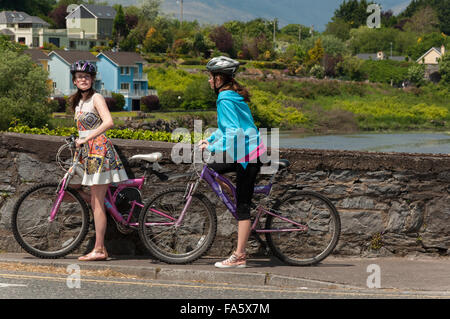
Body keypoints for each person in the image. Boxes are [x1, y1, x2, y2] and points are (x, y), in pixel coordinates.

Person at [199, 56, 267, 268]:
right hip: (242, 151)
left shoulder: (225, 98)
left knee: (243, 208)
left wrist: (212, 148)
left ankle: (239, 256)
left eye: (210, 77)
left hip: (248, 155)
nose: (209, 81)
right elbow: (227, 128)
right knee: (211, 168)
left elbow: (234, 132)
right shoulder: (228, 95)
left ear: (219, 78)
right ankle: (237, 198)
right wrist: (210, 139)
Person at [68, 60, 128, 261]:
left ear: (92, 79)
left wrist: (88, 137)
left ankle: (100, 249)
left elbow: (109, 121)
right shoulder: (78, 102)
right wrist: (77, 154)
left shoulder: (96, 98)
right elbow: (80, 133)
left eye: (86, 77)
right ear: (75, 81)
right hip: (87, 153)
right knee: (73, 188)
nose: (82, 80)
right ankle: (108, 213)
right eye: (79, 77)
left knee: (97, 202)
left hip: (100, 151)